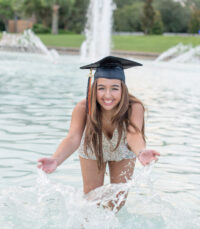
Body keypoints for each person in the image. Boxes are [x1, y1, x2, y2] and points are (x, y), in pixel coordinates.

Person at [38, 56, 160, 211]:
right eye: (101, 88)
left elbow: (133, 134)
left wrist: (141, 152)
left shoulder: (134, 107)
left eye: (114, 88)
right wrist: (56, 160)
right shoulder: (83, 107)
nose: (107, 95)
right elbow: (73, 137)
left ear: (123, 89)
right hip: (92, 147)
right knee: (91, 201)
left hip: (122, 149)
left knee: (118, 201)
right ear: (94, 87)